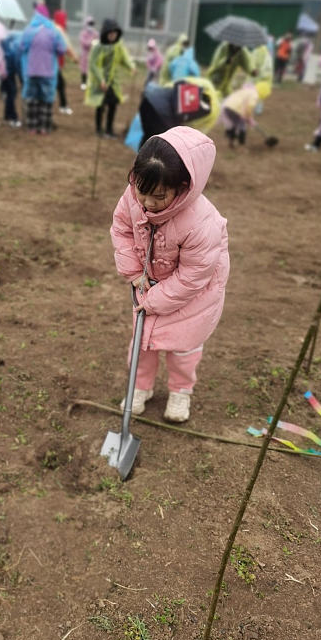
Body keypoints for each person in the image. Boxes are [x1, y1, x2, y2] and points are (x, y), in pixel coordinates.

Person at [110, 126, 229, 422]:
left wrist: (154, 300)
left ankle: (180, 391)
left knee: (183, 348)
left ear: (184, 186)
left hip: (192, 297)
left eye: (159, 197)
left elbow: (194, 275)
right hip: (146, 284)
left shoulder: (203, 223)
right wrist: (135, 274)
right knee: (143, 340)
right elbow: (121, 229)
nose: (147, 203)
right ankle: (140, 387)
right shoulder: (133, 197)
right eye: (142, 191)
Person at [19, 3, 66, 135]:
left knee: (32, 99)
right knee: (46, 100)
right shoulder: (53, 31)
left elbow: (21, 47)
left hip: (31, 70)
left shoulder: (28, 30)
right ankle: (44, 127)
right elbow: (61, 49)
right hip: (48, 72)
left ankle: (32, 127)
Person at [85, 18, 135, 138]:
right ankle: (99, 129)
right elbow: (93, 64)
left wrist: (131, 67)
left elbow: (124, 58)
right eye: (110, 33)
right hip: (101, 82)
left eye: (115, 33)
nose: (113, 35)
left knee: (113, 105)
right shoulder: (98, 47)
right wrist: (100, 79)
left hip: (113, 83)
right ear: (105, 33)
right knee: (100, 105)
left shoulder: (118, 46)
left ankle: (109, 129)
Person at [221, 82, 261, 147]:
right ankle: (241, 142)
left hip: (227, 107)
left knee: (234, 124)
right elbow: (250, 106)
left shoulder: (242, 91)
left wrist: (249, 118)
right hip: (236, 109)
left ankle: (231, 140)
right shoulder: (254, 94)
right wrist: (249, 118)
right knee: (242, 125)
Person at [53, 9, 77, 114]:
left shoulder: (51, 27)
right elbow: (65, 46)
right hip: (53, 63)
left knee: (56, 84)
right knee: (61, 84)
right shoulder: (58, 29)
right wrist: (74, 57)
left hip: (48, 63)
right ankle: (63, 106)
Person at [0, 30, 23, 127]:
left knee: (10, 92)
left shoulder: (10, 38)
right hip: (8, 70)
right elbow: (17, 62)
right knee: (12, 93)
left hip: (4, 70)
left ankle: (7, 115)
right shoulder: (18, 43)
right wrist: (21, 78)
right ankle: (12, 117)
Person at [78, 16, 98, 90]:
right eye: (89, 24)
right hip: (85, 54)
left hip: (93, 54)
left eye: (92, 24)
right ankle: (83, 84)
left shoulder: (95, 33)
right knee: (84, 70)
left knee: (92, 69)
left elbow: (98, 41)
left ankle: (91, 84)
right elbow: (83, 42)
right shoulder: (83, 33)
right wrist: (91, 43)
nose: (91, 26)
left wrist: (95, 43)